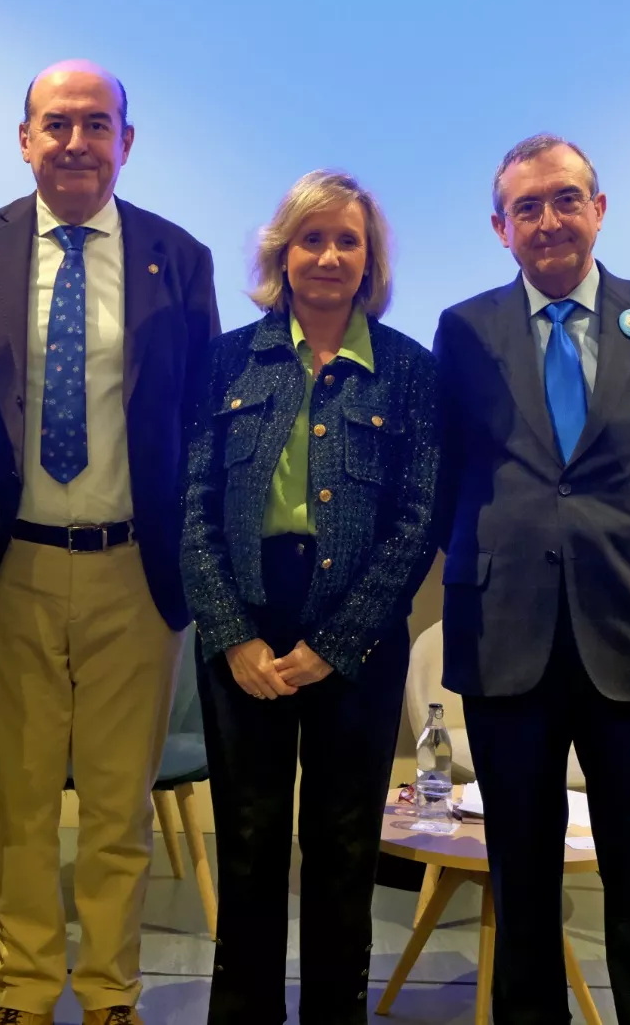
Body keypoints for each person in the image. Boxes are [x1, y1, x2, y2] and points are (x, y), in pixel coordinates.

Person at [0, 60, 219, 1025]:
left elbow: (199, 423)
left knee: (116, 809)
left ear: (126, 143)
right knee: (15, 805)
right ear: (24, 140)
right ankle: (23, 991)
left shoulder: (177, 257)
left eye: (97, 125)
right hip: (8, 565)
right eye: (56, 124)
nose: (75, 143)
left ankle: (108, 996)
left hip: (131, 573)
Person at [432, 134, 630, 1024]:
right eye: (528, 207)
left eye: (565, 199)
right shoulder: (464, 329)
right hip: (506, 637)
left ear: (599, 209)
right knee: (521, 873)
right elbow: (448, 477)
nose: (548, 220)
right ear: (499, 227)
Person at [182, 170, 440, 1025]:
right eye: (311, 239)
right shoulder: (225, 359)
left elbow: (417, 519)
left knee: (342, 845)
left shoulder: (409, 371)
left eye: (347, 241)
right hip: (247, 625)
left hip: (357, 636)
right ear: (281, 253)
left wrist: (340, 642)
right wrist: (232, 636)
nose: (328, 256)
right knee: (250, 843)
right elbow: (193, 507)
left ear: (370, 261)